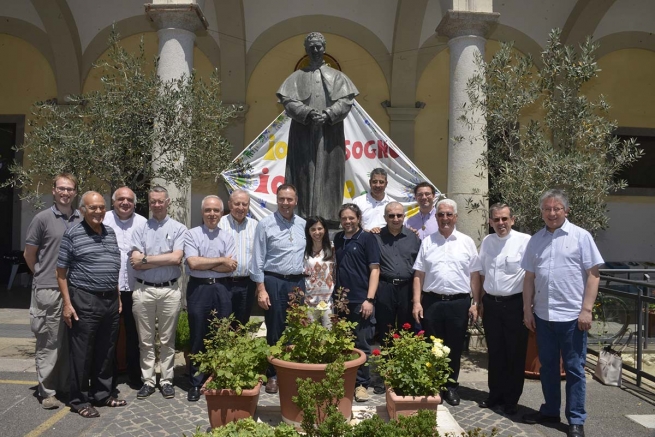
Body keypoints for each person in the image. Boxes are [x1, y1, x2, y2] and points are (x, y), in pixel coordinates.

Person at [521, 189, 603, 437]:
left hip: (572, 318)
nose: (552, 213)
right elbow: (529, 278)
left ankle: (576, 419)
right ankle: (549, 410)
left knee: (575, 369)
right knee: (547, 367)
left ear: (566, 211)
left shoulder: (581, 237)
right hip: (544, 317)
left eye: (557, 208)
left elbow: (593, 275)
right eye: (547, 209)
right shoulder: (536, 240)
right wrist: (527, 309)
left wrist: (586, 310)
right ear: (541, 212)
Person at [276, 32, 359, 226]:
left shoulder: (338, 77)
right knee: (302, 174)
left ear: (324, 48)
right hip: (303, 133)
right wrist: (306, 112)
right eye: (311, 46)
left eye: (318, 46)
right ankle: (301, 215)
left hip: (331, 134)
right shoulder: (296, 77)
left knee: (330, 174)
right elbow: (287, 100)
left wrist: (329, 114)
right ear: (306, 50)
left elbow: (346, 100)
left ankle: (328, 217)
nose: (315, 50)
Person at [56, 191, 125, 418]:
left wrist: (118, 298)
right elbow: (61, 271)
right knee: (82, 353)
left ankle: (102, 394)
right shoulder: (73, 234)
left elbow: (113, 267)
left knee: (106, 351)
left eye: (101, 207)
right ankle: (79, 400)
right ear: (83, 210)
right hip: (84, 299)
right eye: (92, 207)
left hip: (110, 301)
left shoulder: (111, 233)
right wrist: (67, 304)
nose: (98, 211)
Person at [412, 198, 482, 406]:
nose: (445, 218)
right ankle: (434, 385)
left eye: (449, 214)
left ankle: (451, 387)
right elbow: (419, 274)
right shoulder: (428, 242)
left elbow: (475, 276)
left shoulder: (466, 242)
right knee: (432, 346)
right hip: (432, 302)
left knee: (454, 347)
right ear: (436, 217)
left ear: (456, 217)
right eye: (441, 214)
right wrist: (417, 302)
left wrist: (476, 302)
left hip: (458, 303)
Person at [24, 173, 82, 409]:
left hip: (75, 288)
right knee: (49, 341)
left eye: (70, 189)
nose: (65, 193)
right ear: (54, 190)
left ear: (75, 192)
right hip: (49, 289)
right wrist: (40, 274)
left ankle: (65, 386)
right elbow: (30, 254)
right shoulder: (42, 218)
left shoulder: (81, 218)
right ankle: (47, 391)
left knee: (69, 341)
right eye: (61, 188)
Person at [130, 186, 187, 400]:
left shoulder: (179, 228)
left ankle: (166, 379)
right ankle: (148, 380)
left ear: (168, 201)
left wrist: (147, 260)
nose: (156, 205)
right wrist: (163, 258)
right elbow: (135, 262)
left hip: (169, 290)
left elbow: (176, 259)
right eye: (153, 201)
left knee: (166, 339)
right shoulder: (140, 228)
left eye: (160, 201)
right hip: (144, 290)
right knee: (145, 340)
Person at [251, 184, 306, 394]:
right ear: (277, 199)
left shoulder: (303, 224)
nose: (285, 203)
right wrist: (261, 289)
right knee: (274, 327)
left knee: (295, 327)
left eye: (289, 199)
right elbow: (257, 259)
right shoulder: (265, 224)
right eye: (282, 199)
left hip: (297, 282)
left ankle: (291, 370)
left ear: (296, 201)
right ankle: (273, 374)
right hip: (273, 280)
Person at [478, 203, 531, 415]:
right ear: (490, 222)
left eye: (504, 219)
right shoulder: (487, 241)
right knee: (496, 352)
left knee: (515, 354)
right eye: (496, 220)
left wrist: (529, 306)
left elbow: (530, 275)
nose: (501, 223)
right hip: (491, 304)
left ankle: (511, 400)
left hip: (515, 305)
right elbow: (482, 274)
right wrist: (480, 302)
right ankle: (495, 395)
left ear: (513, 220)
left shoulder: (525, 241)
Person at [184, 195, 237, 402]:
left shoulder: (227, 236)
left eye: (216, 210)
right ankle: (196, 382)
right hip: (199, 289)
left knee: (221, 333)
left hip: (222, 289)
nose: (212, 214)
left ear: (221, 213)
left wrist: (208, 263)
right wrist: (220, 261)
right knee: (198, 334)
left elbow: (230, 266)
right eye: (208, 210)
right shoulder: (192, 234)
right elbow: (193, 264)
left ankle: (217, 378)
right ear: (202, 212)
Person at [334, 203, 380, 402]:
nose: (347, 221)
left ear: (359, 218)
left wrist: (369, 299)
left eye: (351, 218)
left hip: (361, 301)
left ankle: (362, 385)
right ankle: (345, 381)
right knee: (342, 343)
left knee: (362, 344)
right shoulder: (338, 238)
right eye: (344, 218)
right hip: (340, 301)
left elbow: (375, 270)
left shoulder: (368, 239)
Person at [103, 186, 147, 388]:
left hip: (134, 286)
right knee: (109, 334)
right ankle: (108, 376)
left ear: (134, 203)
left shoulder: (143, 223)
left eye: (129, 199)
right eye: (121, 199)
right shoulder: (103, 219)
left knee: (134, 333)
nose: (125, 202)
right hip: (108, 287)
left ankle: (134, 375)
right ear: (113, 202)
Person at [374, 202, 421, 341]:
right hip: (385, 287)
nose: (395, 219)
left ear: (404, 216)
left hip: (407, 288)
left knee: (407, 326)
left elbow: (420, 266)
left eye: (399, 215)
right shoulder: (376, 237)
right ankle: (386, 360)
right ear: (385, 217)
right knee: (385, 326)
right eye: (391, 215)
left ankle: (404, 361)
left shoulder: (414, 237)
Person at [218, 189, 258, 325]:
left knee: (241, 322)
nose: (241, 208)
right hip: (223, 282)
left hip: (247, 284)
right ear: (229, 205)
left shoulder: (256, 226)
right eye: (237, 204)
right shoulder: (219, 224)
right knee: (221, 321)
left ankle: (239, 346)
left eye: (245, 204)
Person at [303, 216, 335, 327]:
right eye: (313, 229)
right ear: (308, 231)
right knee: (310, 337)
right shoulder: (304, 251)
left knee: (328, 338)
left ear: (325, 229)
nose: (317, 232)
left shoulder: (333, 249)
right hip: (309, 301)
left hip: (328, 301)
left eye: (320, 228)